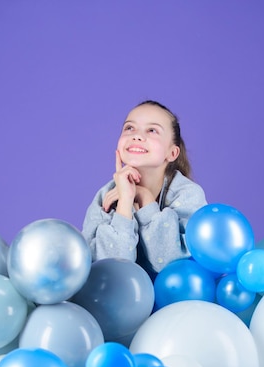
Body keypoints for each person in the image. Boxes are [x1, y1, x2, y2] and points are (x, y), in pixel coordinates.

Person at [81, 100, 207, 275]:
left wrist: (145, 199)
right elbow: (109, 271)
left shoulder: (188, 195)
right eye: (129, 128)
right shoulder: (106, 196)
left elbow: (170, 266)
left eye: (152, 130)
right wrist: (125, 203)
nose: (137, 136)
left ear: (172, 153)